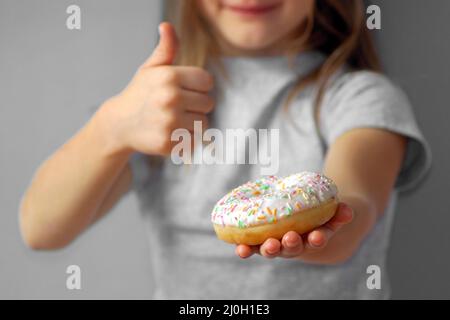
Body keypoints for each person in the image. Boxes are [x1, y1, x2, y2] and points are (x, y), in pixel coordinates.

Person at [19, 0, 431, 299]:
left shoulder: (358, 98)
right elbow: (41, 229)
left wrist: (319, 229)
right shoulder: (162, 107)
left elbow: (352, 213)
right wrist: (111, 128)